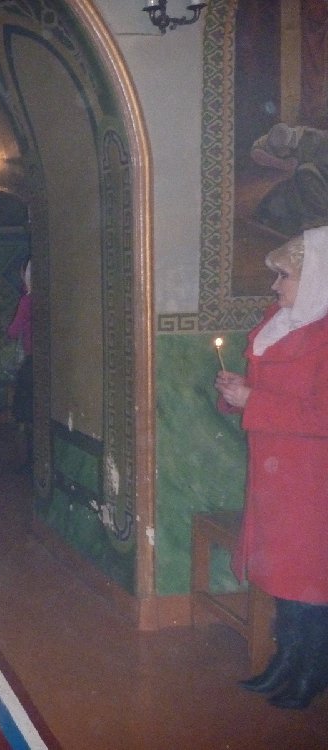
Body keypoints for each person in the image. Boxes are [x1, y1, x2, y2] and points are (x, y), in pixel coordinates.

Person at [214, 226, 328, 710]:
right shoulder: (277, 322)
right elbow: (266, 393)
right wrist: (236, 394)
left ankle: (311, 672)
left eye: (284, 276)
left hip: (312, 480)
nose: (275, 285)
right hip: (273, 473)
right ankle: (286, 662)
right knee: (284, 576)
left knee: (310, 581)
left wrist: (254, 401)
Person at [250, 122, 328, 237]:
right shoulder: (278, 135)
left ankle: (317, 220)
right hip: (299, 178)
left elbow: (312, 167)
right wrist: (281, 164)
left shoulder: (311, 139)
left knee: (304, 175)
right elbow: (255, 152)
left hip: (320, 175)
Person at [7, 256, 33, 472]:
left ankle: (32, 461)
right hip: (47, 361)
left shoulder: (28, 300)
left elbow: (13, 330)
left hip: (32, 361)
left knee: (28, 412)